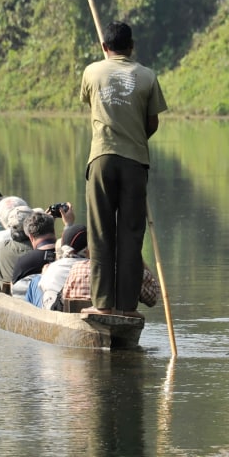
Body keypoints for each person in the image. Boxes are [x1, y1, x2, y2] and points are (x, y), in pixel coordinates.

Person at [80, 20, 168, 316]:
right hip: (134, 163)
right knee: (131, 235)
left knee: (100, 233)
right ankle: (127, 308)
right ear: (132, 47)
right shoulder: (147, 76)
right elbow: (152, 122)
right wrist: (134, 137)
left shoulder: (92, 71)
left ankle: (103, 306)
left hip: (101, 160)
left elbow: (89, 102)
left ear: (105, 47)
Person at [62, 255, 160, 310]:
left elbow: (64, 298)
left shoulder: (77, 268)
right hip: (120, 317)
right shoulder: (135, 271)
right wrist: (140, 260)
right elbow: (153, 299)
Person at [8, 209, 60, 297]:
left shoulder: (24, 262)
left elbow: (14, 291)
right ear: (54, 232)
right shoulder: (66, 259)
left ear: (31, 237)